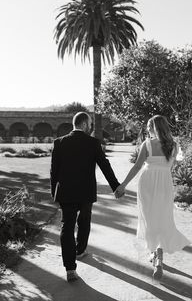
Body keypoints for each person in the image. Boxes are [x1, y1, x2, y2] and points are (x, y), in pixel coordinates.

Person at [50, 112, 122, 282]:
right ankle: (80, 251)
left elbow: (54, 171)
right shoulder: (93, 143)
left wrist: (54, 193)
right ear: (83, 124)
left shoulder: (59, 143)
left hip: (66, 192)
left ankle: (70, 269)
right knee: (84, 222)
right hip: (85, 192)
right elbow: (105, 166)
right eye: (89, 124)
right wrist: (115, 187)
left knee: (67, 227)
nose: (91, 127)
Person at [116, 115, 190, 279]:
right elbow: (172, 166)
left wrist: (122, 185)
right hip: (165, 184)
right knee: (162, 218)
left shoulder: (147, 144)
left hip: (147, 183)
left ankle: (156, 255)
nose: (147, 131)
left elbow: (136, 167)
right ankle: (158, 256)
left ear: (153, 128)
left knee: (150, 219)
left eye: (148, 128)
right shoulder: (174, 145)